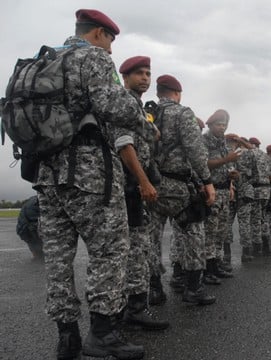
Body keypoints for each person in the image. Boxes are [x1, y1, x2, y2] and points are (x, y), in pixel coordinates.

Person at [34, 9, 148, 359]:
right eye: (110, 41)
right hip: (88, 172)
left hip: (46, 175)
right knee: (110, 250)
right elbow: (111, 105)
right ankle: (102, 333)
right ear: (99, 33)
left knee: (57, 259)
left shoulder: (44, 61)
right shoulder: (92, 57)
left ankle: (66, 336)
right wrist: (142, 116)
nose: (112, 52)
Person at [147, 74, 216, 306]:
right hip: (177, 187)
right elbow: (196, 152)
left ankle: (154, 289)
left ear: (158, 93)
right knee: (194, 232)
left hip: (151, 185)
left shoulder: (148, 115)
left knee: (151, 238)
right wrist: (207, 181)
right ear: (177, 93)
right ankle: (193, 287)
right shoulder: (183, 113)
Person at [117, 56, 169, 331]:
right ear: (124, 77)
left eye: (148, 73)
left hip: (136, 186)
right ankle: (132, 311)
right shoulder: (125, 103)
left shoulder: (136, 106)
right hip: (131, 187)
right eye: (139, 73)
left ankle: (135, 307)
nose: (145, 78)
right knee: (134, 249)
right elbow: (124, 145)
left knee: (138, 247)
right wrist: (144, 181)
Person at [202, 109, 239, 284]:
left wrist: (231, 176)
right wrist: (225, 160)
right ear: (210, 125)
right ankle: (207, 268)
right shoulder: (204, 140)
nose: (222, 128)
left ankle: (216, 263)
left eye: (224, 124)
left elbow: (225, 164)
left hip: (224, 190)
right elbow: (203, 165)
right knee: (210, 231)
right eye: (219, 124)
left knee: (221, 231)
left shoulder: (222, 143)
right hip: (212, 190)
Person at [16, 195, 43, 261]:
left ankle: (38, 255)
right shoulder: (34, 205)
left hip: (24, 229)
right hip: (27, 229)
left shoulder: (33, 201)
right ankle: (38, 256)